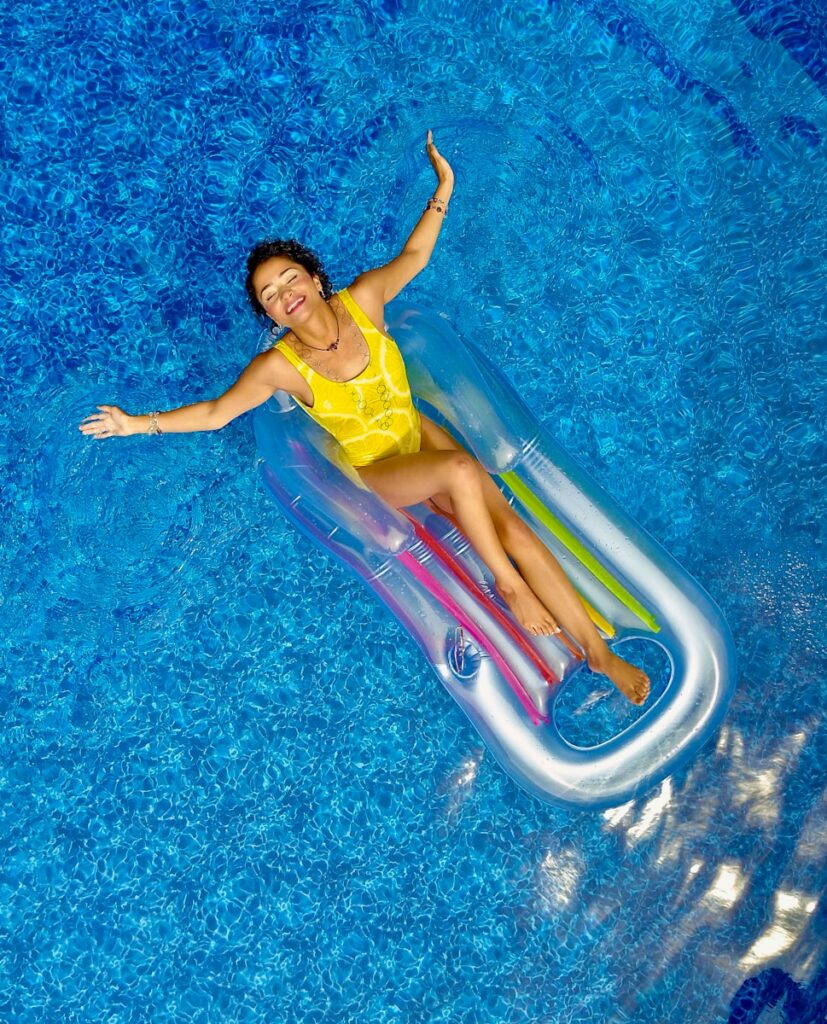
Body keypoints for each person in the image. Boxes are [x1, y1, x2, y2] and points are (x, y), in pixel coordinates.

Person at [80, 130, 650, 706]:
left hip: (416, 434)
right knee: (457, 471)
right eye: (270, 295)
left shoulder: (366, 300)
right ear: (272, 316)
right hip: (381, 471)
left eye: (290, 279)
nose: (284, 294)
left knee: (517, 530)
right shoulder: (279, 367)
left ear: (315, 279)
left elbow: (416, 256)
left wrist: (444, 186)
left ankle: (601, 655)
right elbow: (213, 413)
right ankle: (509, 586)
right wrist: (136, 423)